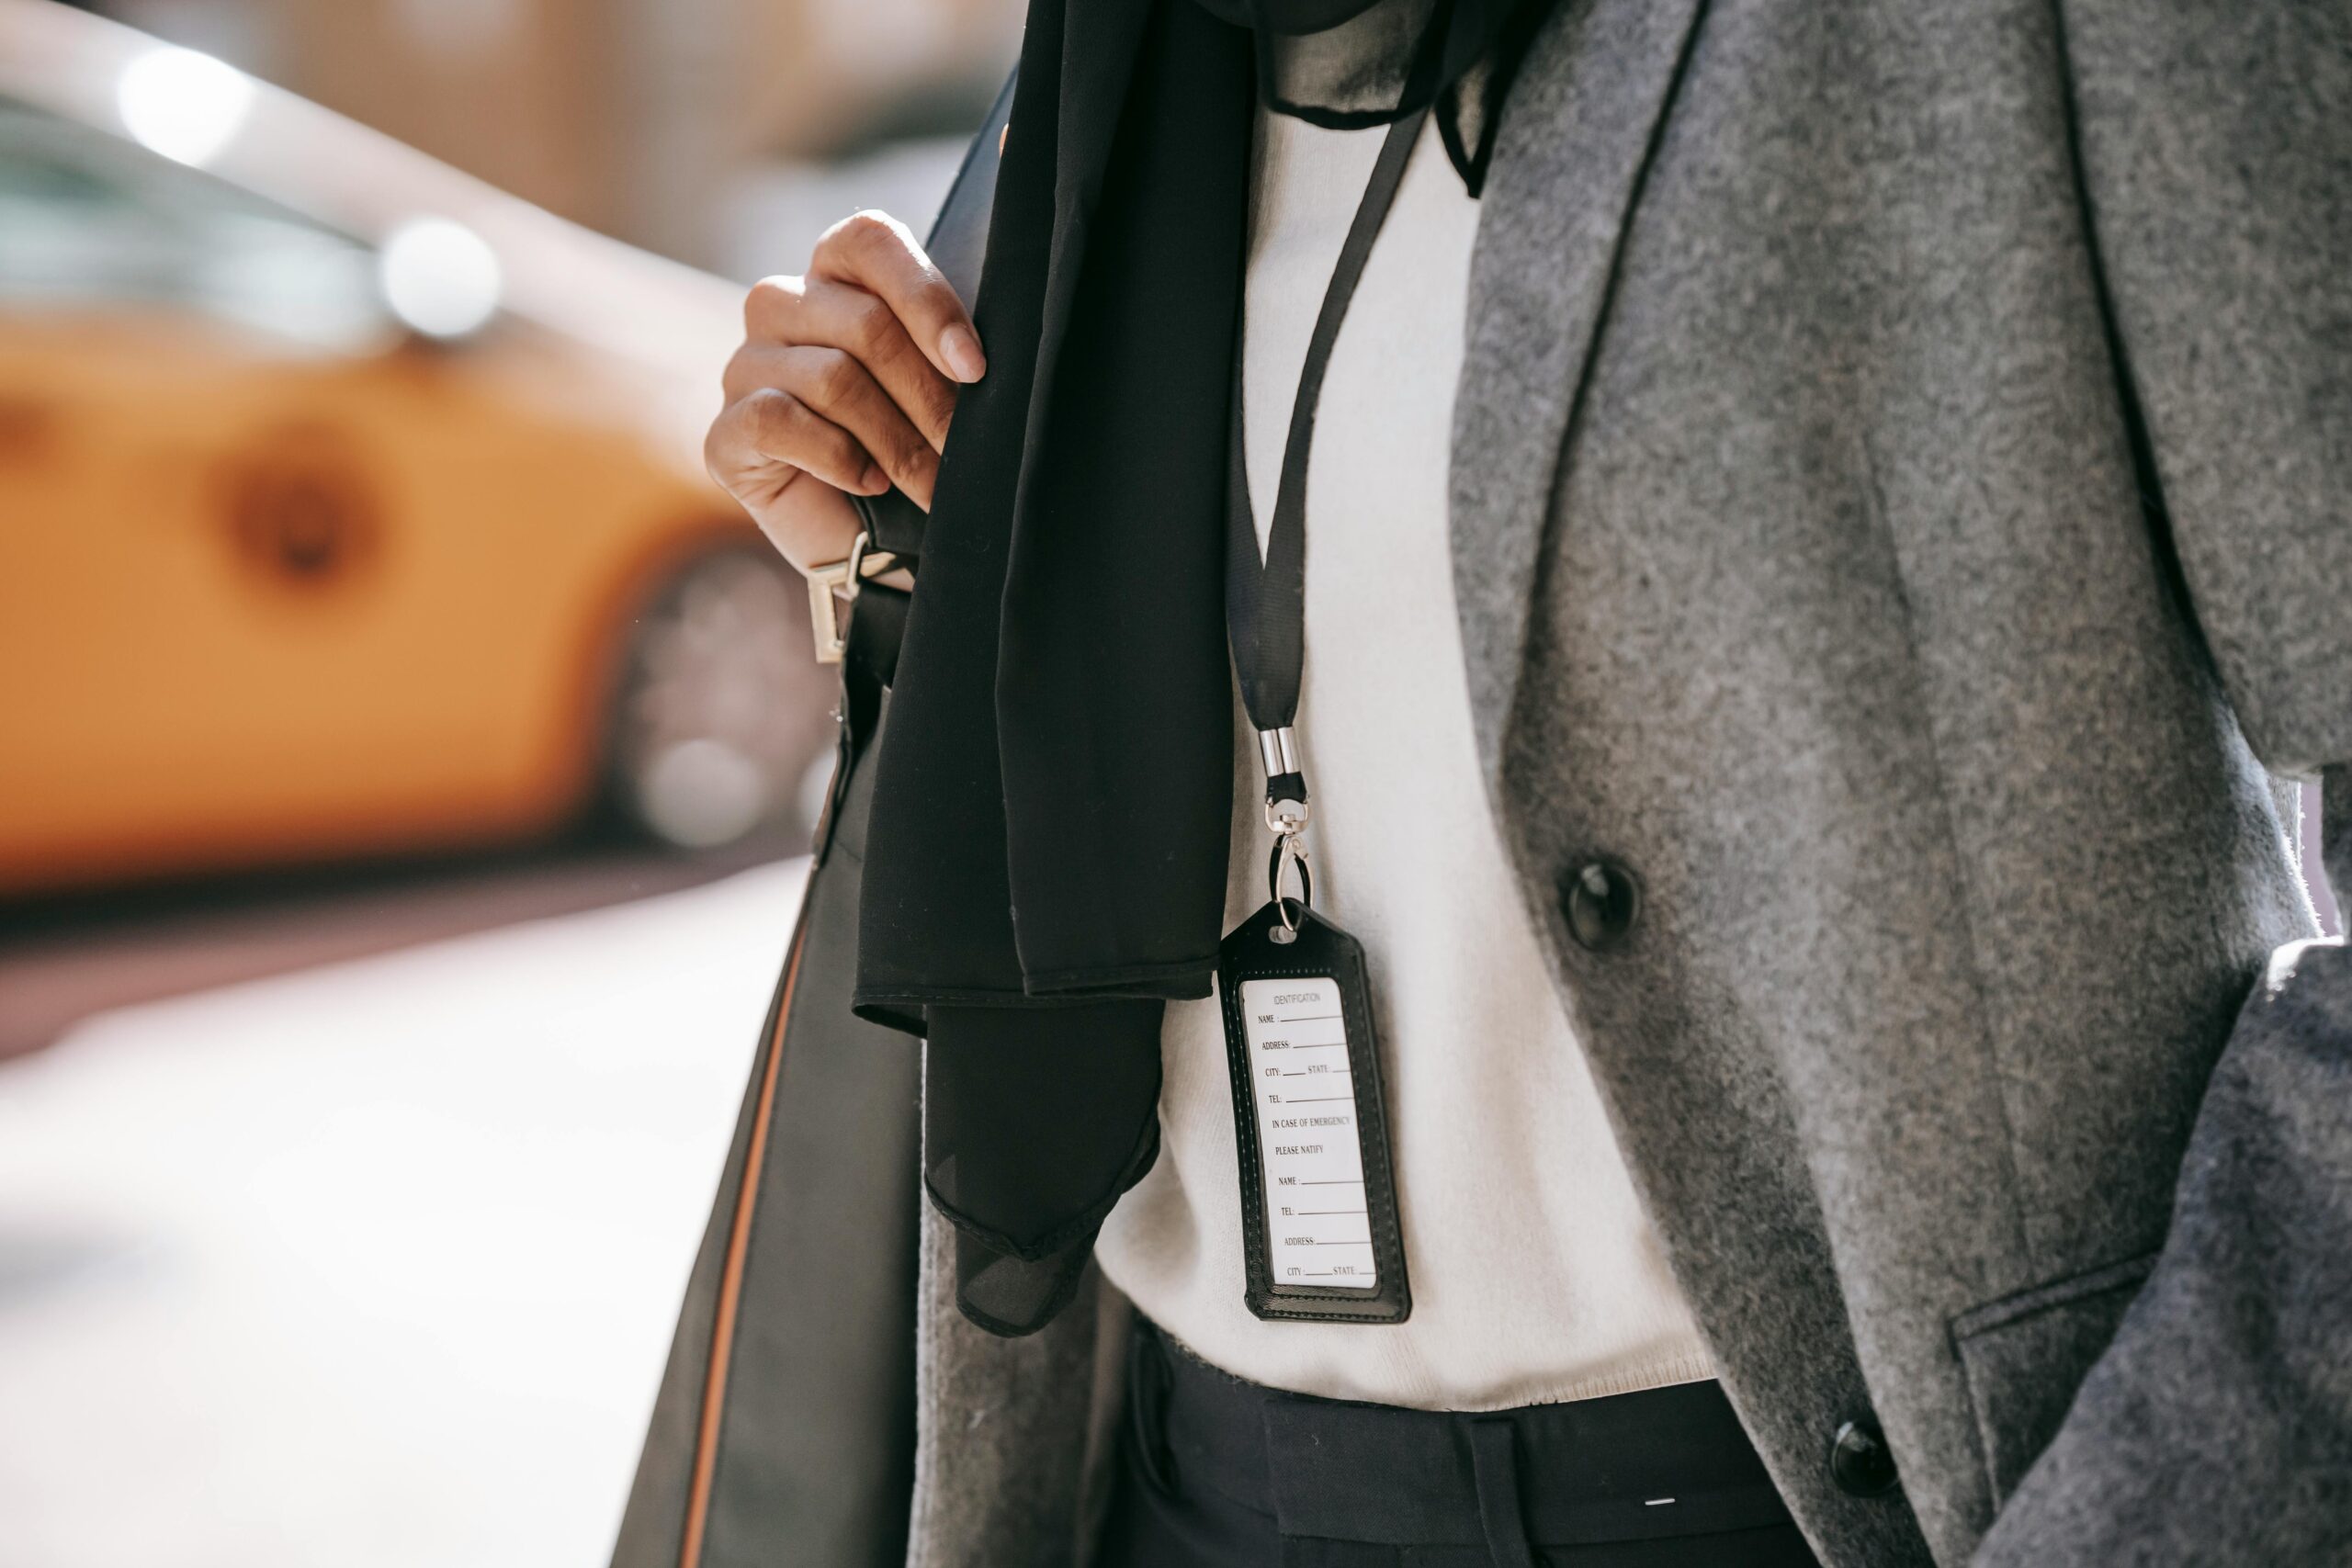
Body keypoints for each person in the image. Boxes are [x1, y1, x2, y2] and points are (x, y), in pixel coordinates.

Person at [689, 0, 2352, 1564]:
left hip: (1891, 1507)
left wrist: (2170, 1499)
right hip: (1195, 1497)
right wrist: (891, 554)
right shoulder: (1114, 76)